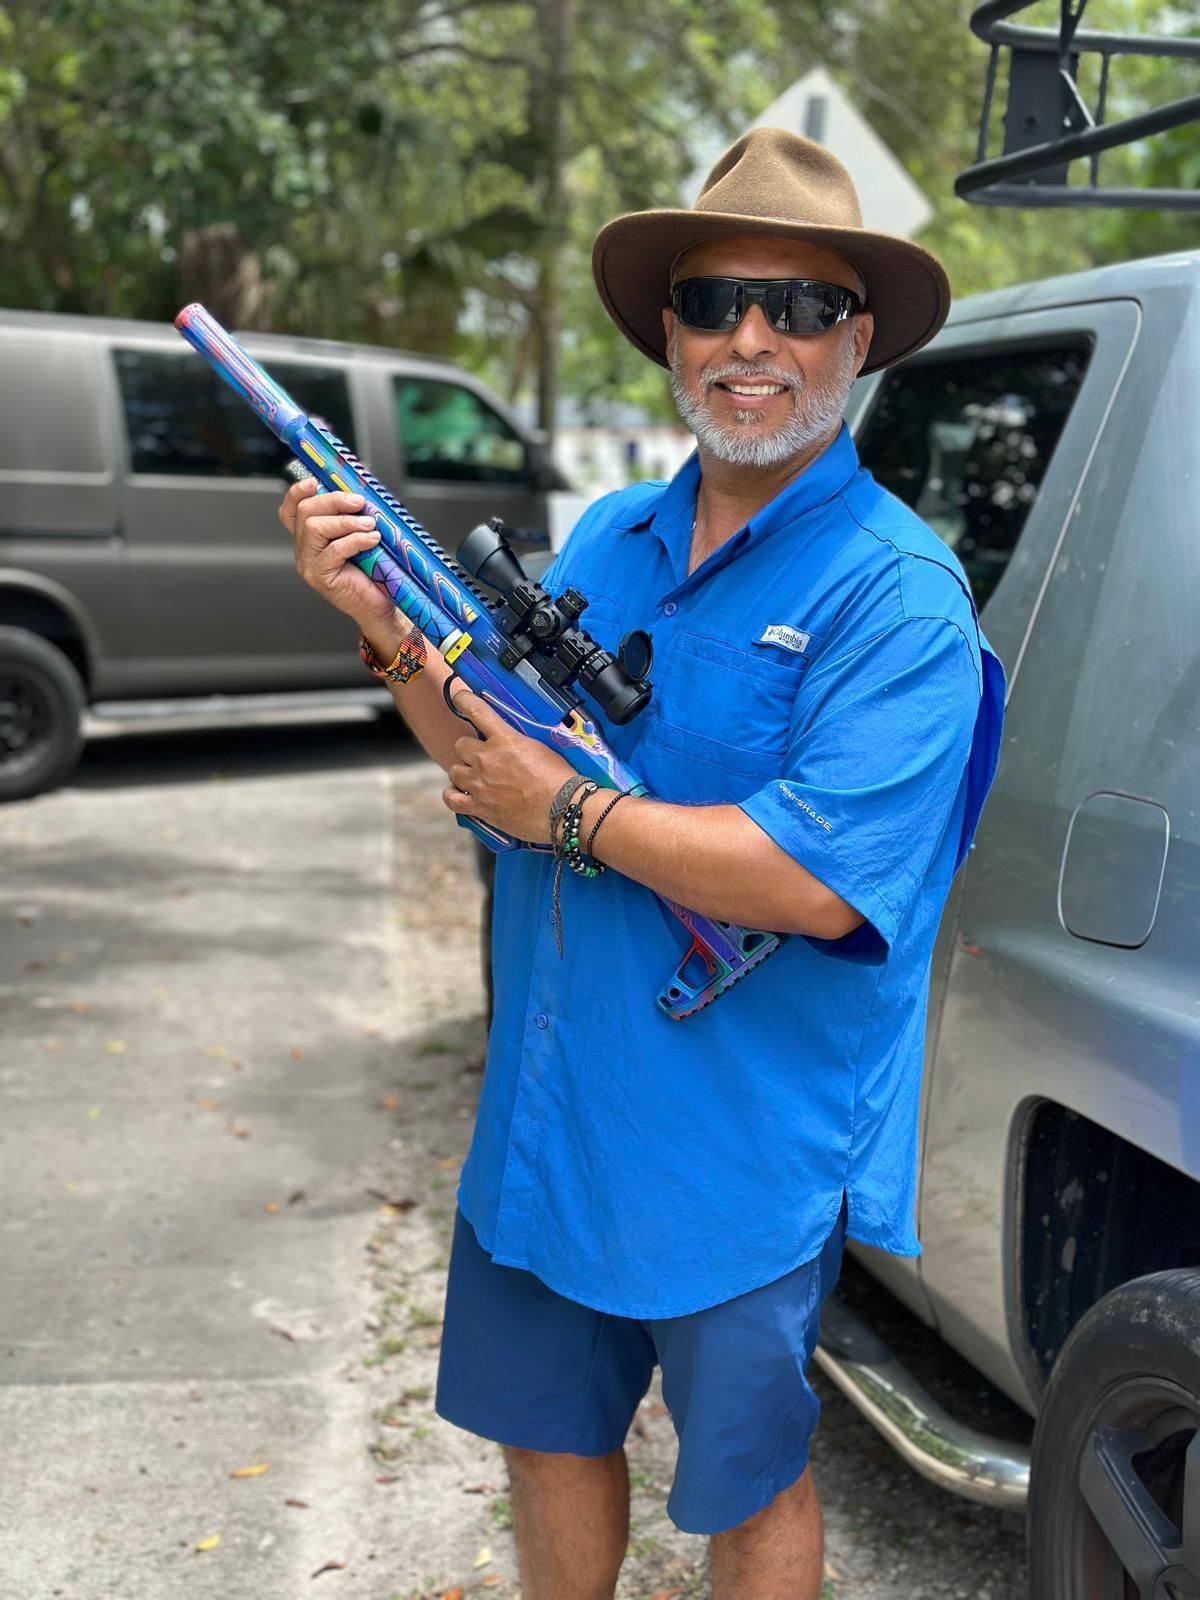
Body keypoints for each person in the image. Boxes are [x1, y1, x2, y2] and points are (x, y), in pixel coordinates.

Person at [280, 128, 1006, 1600]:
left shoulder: (899, 593)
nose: (754, 340)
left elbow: (815, 881)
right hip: (551, 1111)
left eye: (801, 307)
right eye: (716, 301)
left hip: (737, 1149)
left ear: (856, 340)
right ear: (668, 334)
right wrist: (377, 623)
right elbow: (486, 748)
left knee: (750, 1485)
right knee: (546, 1441)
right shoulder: (609, 534)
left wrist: (570, 814)